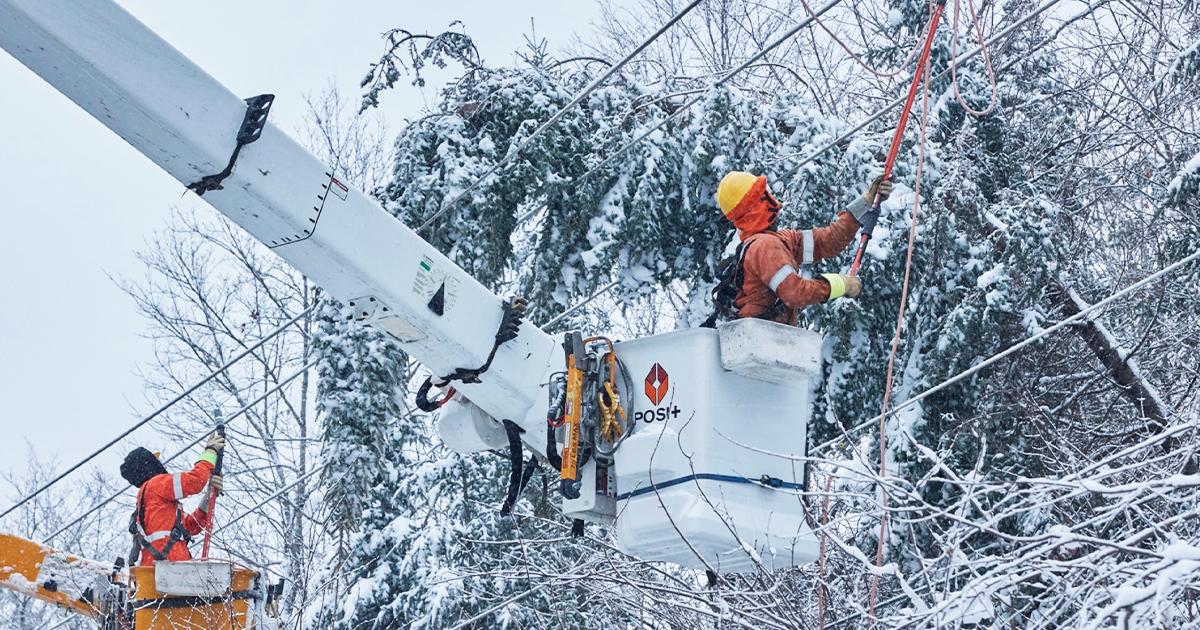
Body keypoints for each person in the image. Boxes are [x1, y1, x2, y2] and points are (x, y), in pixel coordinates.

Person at [712, 171, 892, 325]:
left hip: (767, 343)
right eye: (763, 193)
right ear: (757, 203)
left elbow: (828, 241)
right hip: (763, 345)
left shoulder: (778, 240)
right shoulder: (764, 246)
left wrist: (866, 201)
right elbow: (795, 293)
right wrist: (841, 284)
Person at [121, 433, 225, 566]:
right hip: (169, 565)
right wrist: (210, 452)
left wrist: (209, 495)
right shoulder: (156, 484)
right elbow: (195, 481)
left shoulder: (151, 501)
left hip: (160, 568)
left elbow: (191, 527)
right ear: (149, 465)